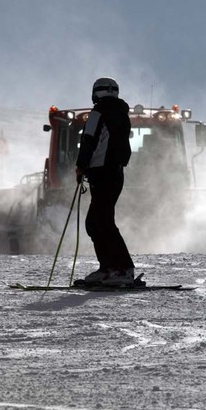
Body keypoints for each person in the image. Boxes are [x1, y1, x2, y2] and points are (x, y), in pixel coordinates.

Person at [76, 77, 135, 286]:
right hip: (116, 173)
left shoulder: (98, 112)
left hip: (101, 173)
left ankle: (121, 269)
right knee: (98, 221)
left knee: (101, 222)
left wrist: (80, 166)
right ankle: (110, 268)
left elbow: (89, 140)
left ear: (96, 93)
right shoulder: (122, 114)